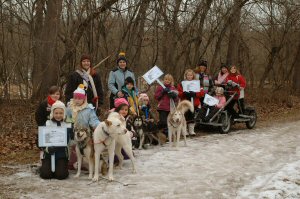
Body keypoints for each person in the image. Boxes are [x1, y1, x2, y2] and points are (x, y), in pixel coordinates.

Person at [66, 84, 101, 170]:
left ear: (84, 98)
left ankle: (85, 163)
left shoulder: (89, 109)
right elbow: (66, 118)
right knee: (70, 148)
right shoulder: (70, 107)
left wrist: (99, 126)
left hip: (85, 135)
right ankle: (70, 162)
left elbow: (94, 120)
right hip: (72, 133)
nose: (77, 100)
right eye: (75, 98)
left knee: (86, 150)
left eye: (79, 98)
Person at [39, 100, 70, 180]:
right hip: (49, 153)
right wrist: (47, 148)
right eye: (56, 113)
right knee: (45, 175)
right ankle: (44, 167)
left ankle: (61, 168)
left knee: (61, 175)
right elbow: (41, 139)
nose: (58, 115)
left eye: (61, 113)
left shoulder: (67, 124)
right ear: (52, 113)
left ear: (64, 113)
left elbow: (69, 140)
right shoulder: (47, 123)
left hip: (61, 154)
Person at [177, 69, 204, 135]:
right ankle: (184, 130)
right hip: (185, 103)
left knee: (192, 116)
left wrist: (195, 94)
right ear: (186, 76)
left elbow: (202, 93)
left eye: (191, 75)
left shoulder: (197, 83)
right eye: (188, 75)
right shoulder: (182, 83)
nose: (189, 76)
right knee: (184, 116)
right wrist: (184, 93)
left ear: (193, 76)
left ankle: (191, 130)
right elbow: (178, 93)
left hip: (193, 103)